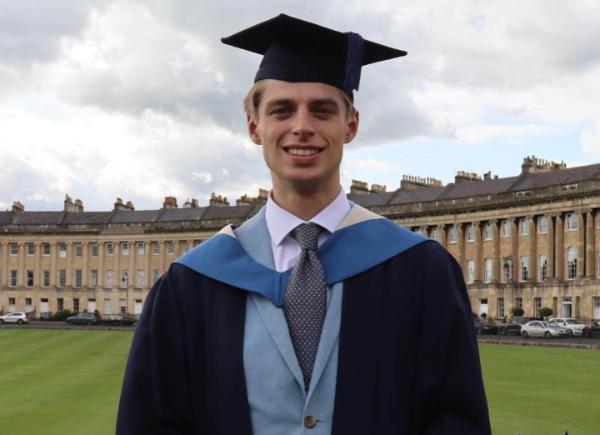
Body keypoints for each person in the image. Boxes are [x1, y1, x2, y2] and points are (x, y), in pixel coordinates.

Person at [117, 14, 491, 434]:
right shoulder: (192, 284)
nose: (302, 127)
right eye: (282, 110)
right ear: (254, 126)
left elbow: (456, 419)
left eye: (322, 110)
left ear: (350, 125)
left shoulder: (421, 271)